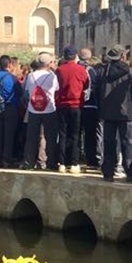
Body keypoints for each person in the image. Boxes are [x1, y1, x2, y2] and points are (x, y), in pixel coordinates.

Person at [97, 45, 132, 182]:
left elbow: (96, 91)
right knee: (127, 143)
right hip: (126, 112)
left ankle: (108, 172)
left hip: (107, 112)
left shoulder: (103, 72)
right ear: (123, 57)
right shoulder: (131, 72)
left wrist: (101, 108)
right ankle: (130, 172)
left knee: (109, 142)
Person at [22, 52, 60, 171]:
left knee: (32, 137)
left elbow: (27, 91)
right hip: (49, 109)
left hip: (33, 109)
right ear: (48, 64)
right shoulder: (52, 76)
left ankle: (29, 162)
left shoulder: (30, 76)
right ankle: (51, 163)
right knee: (50, 137)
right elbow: (57, 90)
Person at [56, 46, 89, 174]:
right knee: (75, 134)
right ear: (76, 56)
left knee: (63, 134)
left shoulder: (59, 70)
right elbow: (86, 84)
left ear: (64, 57)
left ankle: (62, 163)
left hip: (62, 104)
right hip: (76, 105)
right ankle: (74, 163)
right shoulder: (81, 69)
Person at [0, 55, 21, 168]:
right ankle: (6, 160)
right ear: (9, 65)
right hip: (9, 107)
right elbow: (18, 93)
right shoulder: (12, 78)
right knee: (8, 135)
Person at [79, 48, 102, 170]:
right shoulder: (92, 71)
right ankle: (91, 160)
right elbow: (95, 88)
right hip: (91, 105)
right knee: (90, 134)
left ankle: (74, 158)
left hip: (76, 105)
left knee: (75, 133)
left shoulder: (77, 68)